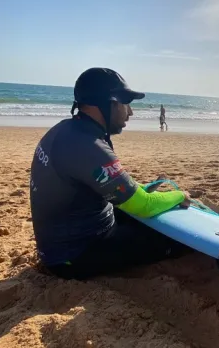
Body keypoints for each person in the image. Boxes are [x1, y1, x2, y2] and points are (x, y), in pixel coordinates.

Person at [29, 67, 192, 280]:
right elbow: (144, 205)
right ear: (109, 103)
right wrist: (180, 196)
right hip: (73, 256)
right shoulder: (88, 145)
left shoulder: (66, 130)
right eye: (126, 104)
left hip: (62, 241)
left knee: (142, 214)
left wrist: (140, 189)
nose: (130, 113)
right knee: (170, 239)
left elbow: (97, 184)